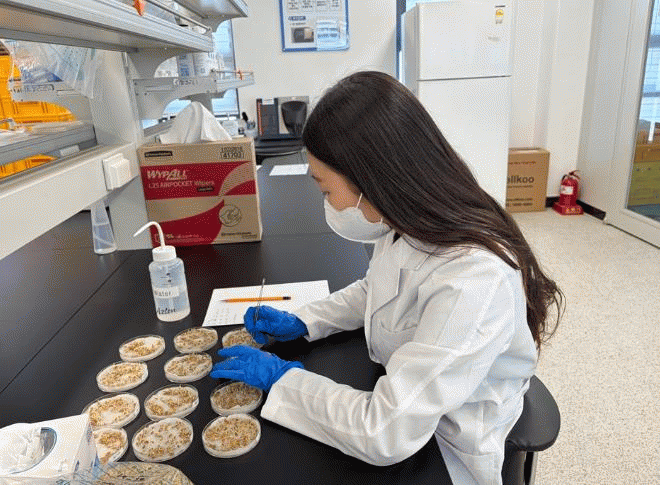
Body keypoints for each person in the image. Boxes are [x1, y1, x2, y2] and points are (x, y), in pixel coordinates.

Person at [210, 71, 563, 485]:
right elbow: (376, 289)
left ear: (372, 180)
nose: (327, 203)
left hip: (448, 440)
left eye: (325, 190)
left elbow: (384, 432)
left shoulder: (474, 281)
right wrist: (306, 320)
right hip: (411, 400)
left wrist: (282, 379)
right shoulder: (408, 221)